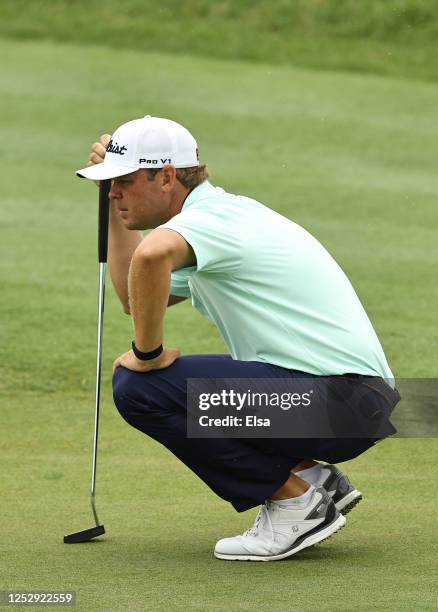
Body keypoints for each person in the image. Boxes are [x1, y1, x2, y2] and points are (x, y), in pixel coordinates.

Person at [77, 115, 400, 562]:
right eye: (112, 183)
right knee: (166, 385)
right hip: (351, 403)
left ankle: (294, 502)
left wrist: (146, 354)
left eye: (125, 182)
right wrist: (110, 209)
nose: (115, 192)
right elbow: (135, 296)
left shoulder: (211, 221)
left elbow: (151, 256)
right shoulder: (219, 217)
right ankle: (314, 480)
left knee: (142, 388)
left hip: (338, 402)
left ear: (167, 176)